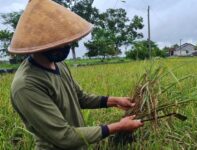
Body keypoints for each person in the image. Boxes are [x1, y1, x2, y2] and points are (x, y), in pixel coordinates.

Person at [9, 0, 144, 149]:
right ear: (43, 43)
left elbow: (80, 98)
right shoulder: (26, 85)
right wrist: (118, 127)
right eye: (60, 42)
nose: (67, 45)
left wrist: (114, 101)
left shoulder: (58, 63)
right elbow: (64, 137)